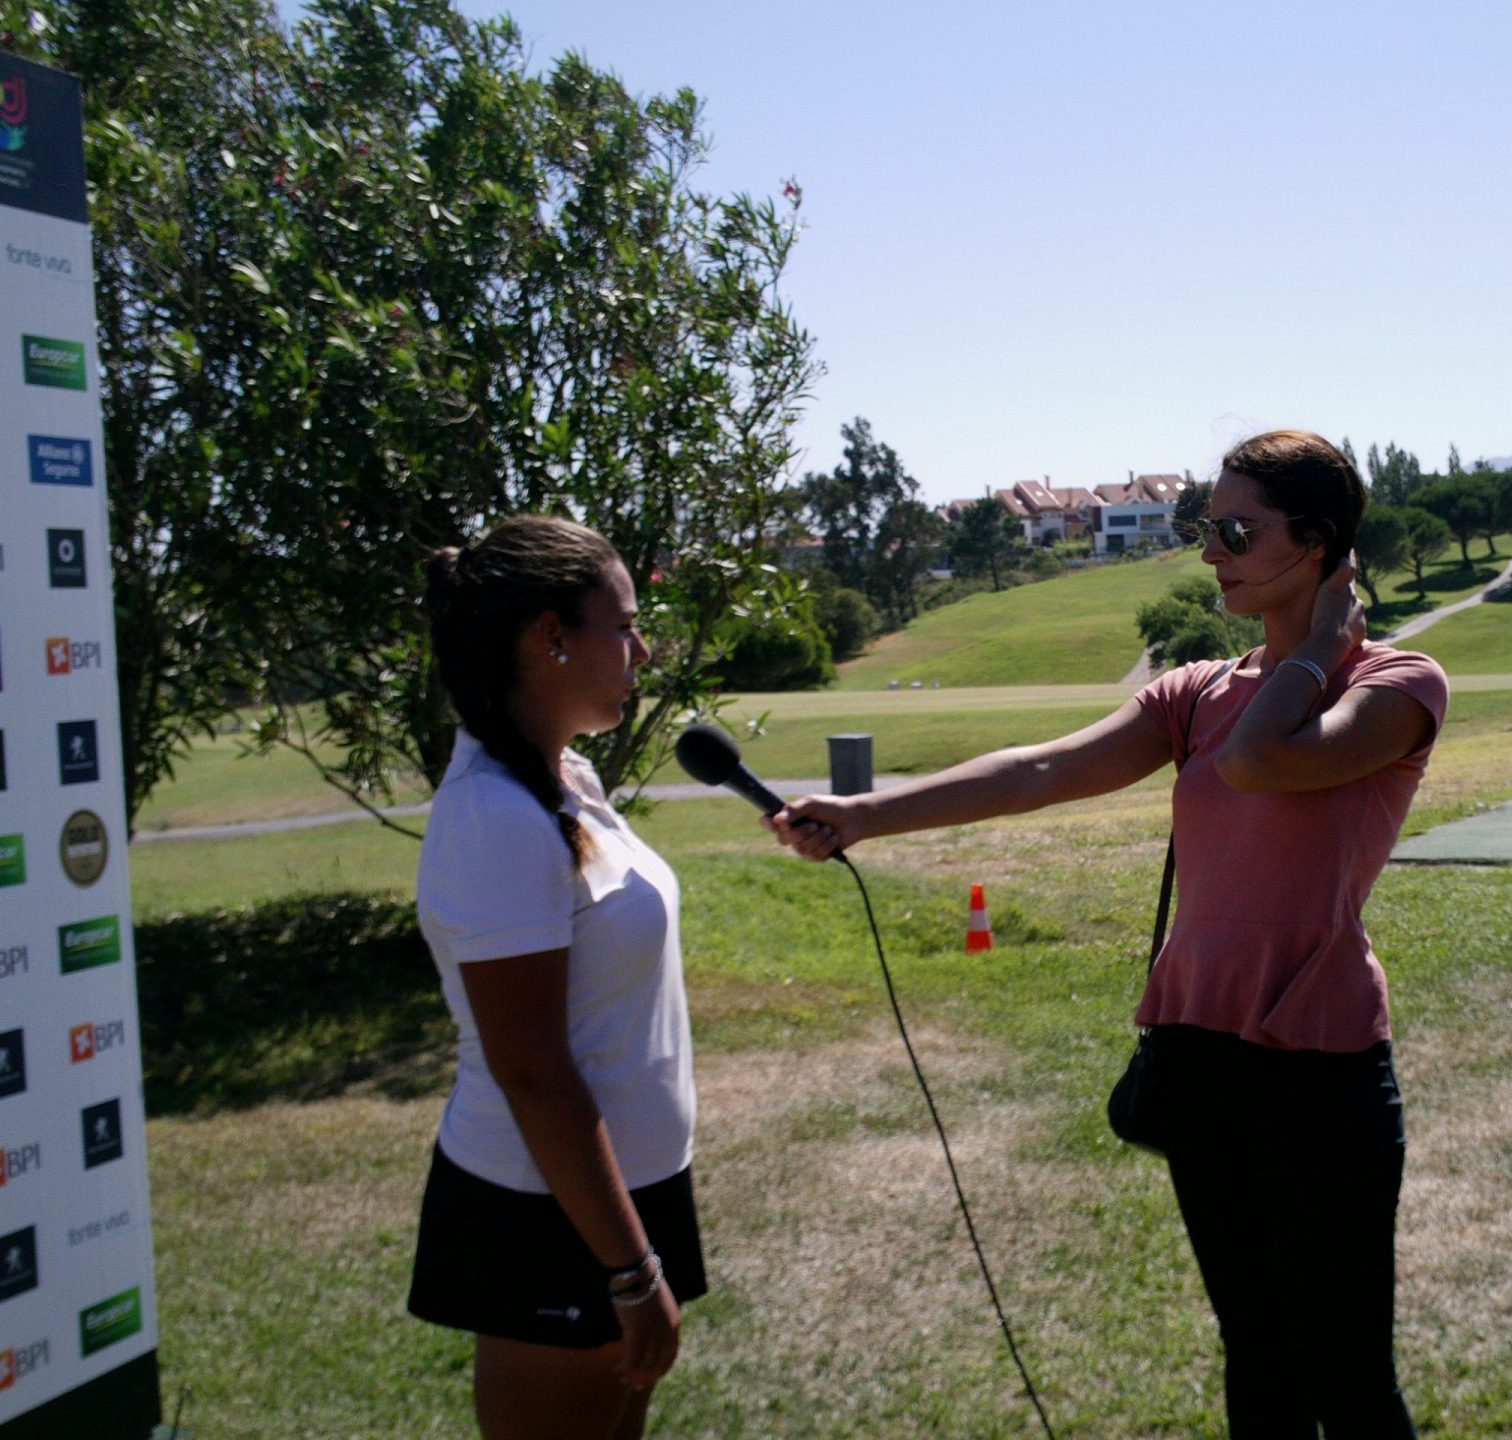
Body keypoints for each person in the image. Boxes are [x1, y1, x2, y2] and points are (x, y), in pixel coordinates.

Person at [765, 429, 1448, 1436]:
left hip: (1323, 1077)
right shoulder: (1198, 695)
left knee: (1346, 1375)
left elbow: (1264, 762)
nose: (1208, 550)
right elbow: (1042, 769)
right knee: (1257, 1352)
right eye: (1202, 527)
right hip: (1202, 1063)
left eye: (1231, 529)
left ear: (1317, 542)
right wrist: (870, 813)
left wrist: (1309, 652)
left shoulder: (1397, 688)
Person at [406, 515, 705, 1440]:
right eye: (622, 625)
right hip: (552, 1214)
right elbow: (531, 1072)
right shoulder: (496, 816)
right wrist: (629, 1271)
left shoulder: (562, 779)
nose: (642, 648)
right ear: (550, 637)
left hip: (623, 1191)